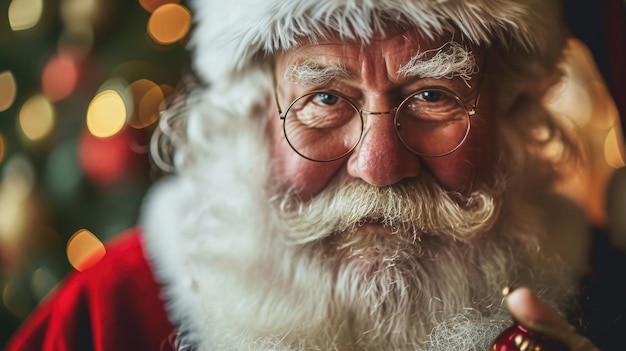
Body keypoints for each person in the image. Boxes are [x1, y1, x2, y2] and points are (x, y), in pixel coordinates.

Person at [6, 0, 625, 350]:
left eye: (434, 94)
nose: (379, 168)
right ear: (253, 113)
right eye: (325, 99)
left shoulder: (600, 297)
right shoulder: (109, 317)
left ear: (509, 108)